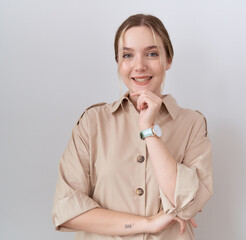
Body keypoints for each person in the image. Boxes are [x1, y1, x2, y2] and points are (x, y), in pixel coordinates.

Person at [52, 13, 213, 240]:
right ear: (118, 62)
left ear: (168, 60)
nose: (139, 66)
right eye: (128, 55)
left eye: (152, 53)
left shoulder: (193, 124)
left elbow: (186, 204)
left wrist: (149, 130)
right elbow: (66, 210)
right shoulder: (92, 123)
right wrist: (149, 223)